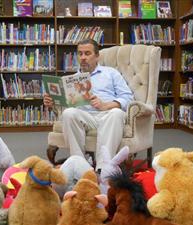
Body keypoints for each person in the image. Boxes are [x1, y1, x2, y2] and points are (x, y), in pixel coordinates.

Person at [43, 38, 133, 174]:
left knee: (117, 113)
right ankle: (80, 166)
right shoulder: (72, 79)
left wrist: (106, 105)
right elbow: (65, 106)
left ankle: (103, 168)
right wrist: (52, 103)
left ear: (97, 56)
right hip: (84, 117)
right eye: (80, 54)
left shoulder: (111, 73)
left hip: (107, 115)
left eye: (87, 53)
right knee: (68, 113)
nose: (83, 57)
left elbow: (128, 97)